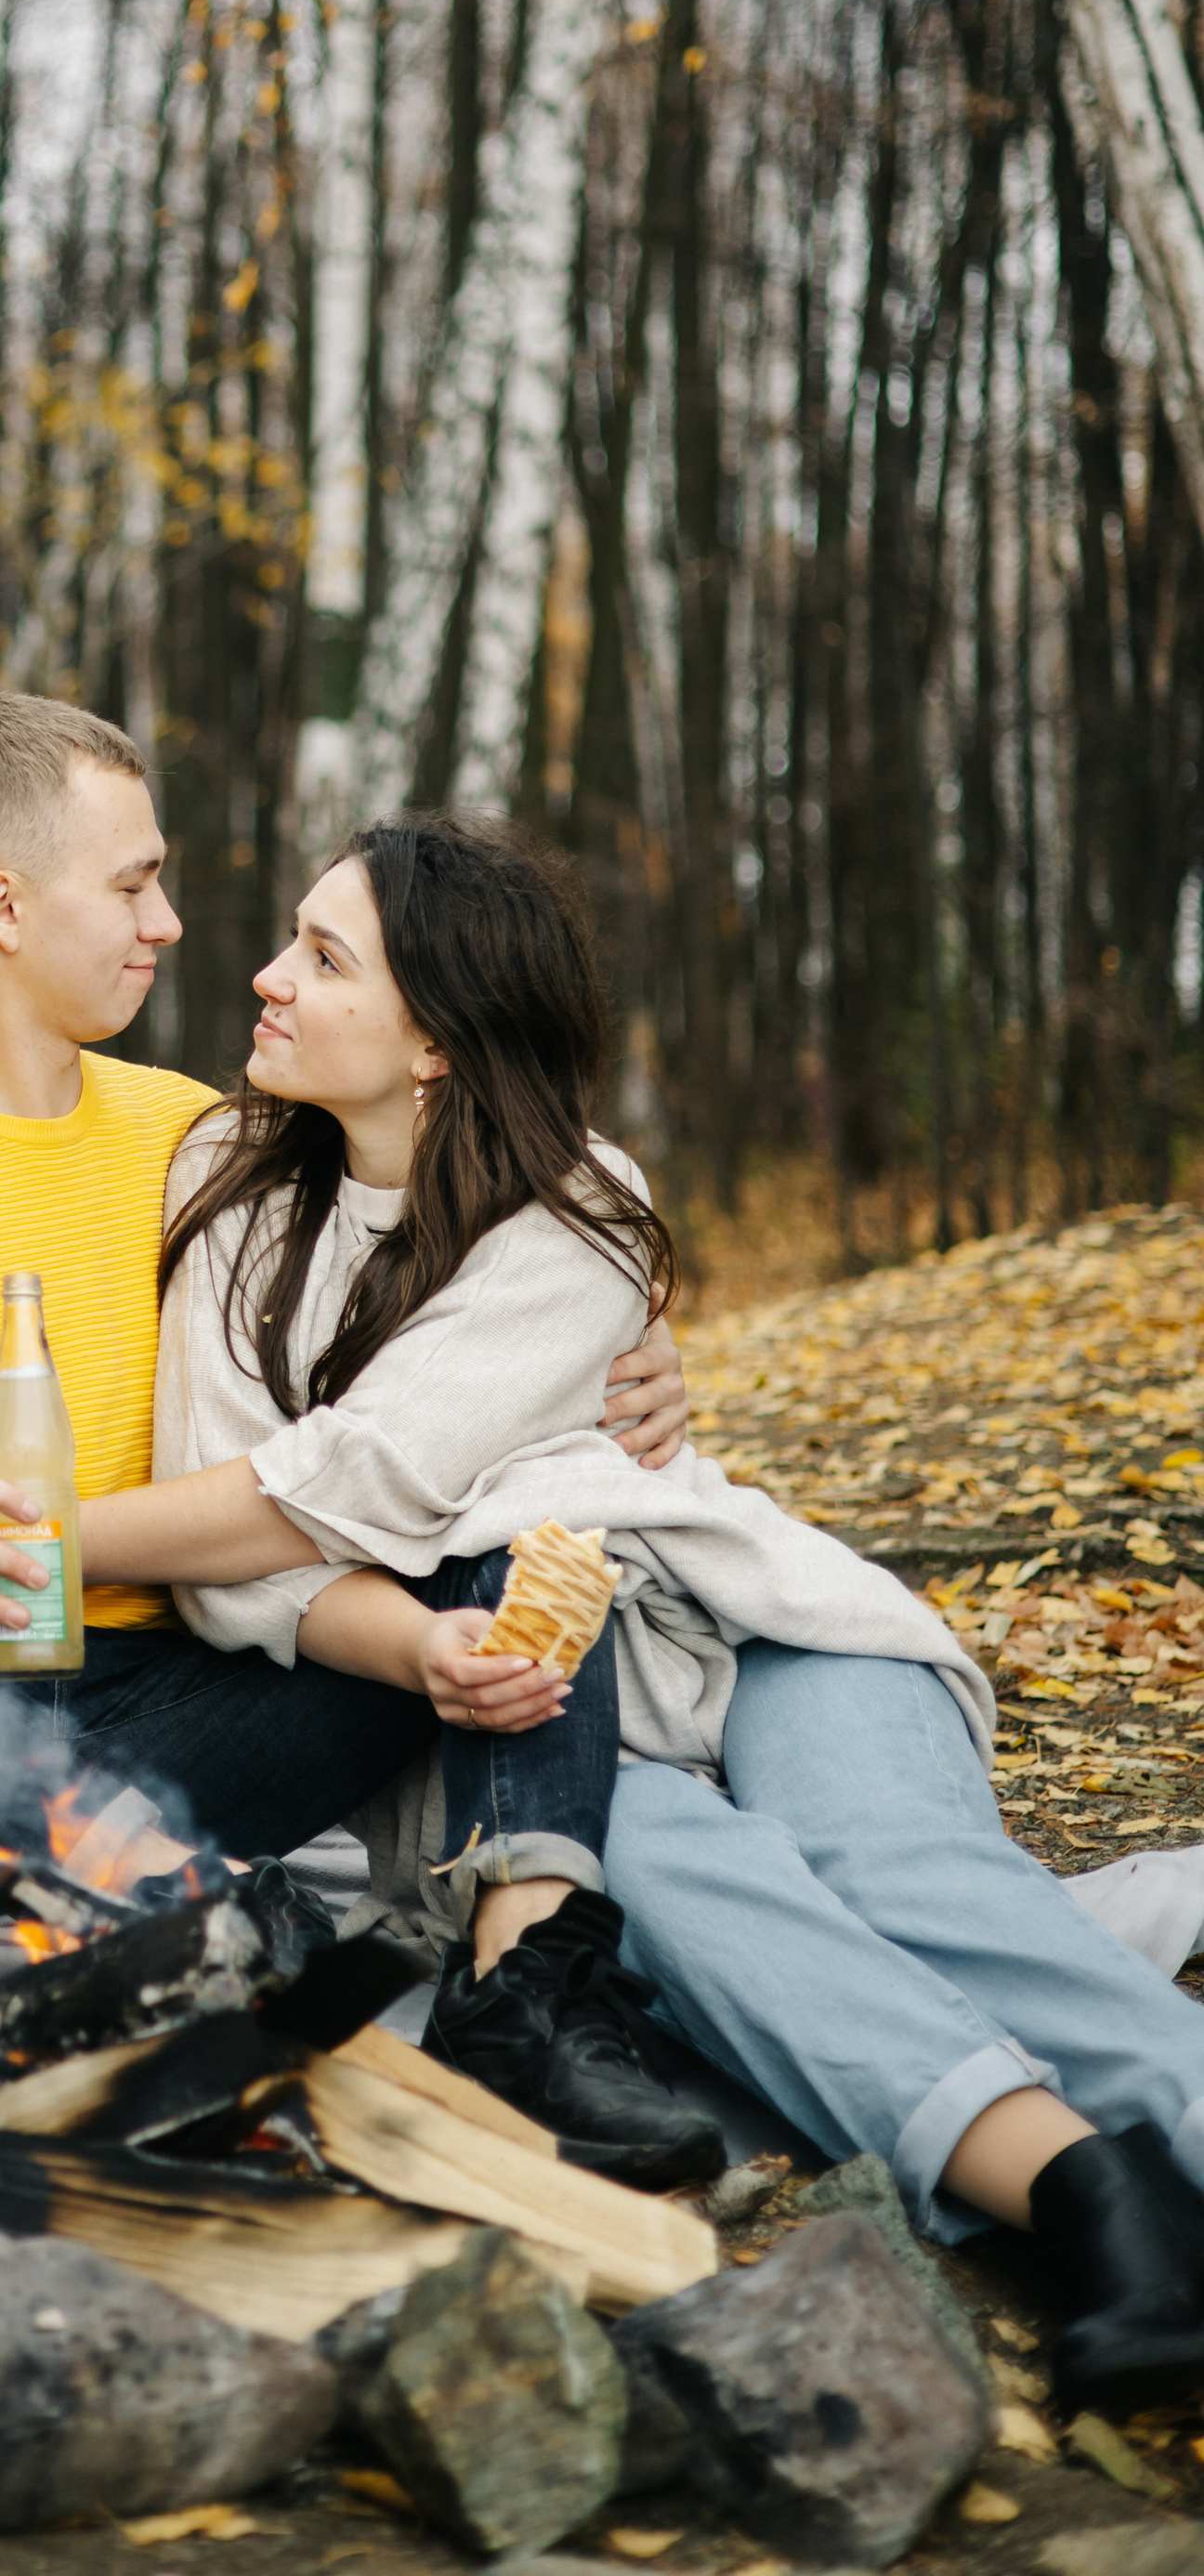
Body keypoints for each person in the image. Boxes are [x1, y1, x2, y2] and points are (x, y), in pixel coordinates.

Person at [103, 808, 1204, 2415]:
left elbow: (346, 1483)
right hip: (531, 1699)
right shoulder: (230, 1187)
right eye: (291, 938)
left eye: (323, 957)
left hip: (752, 1621)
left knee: (905, 1874)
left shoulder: (577, 1207)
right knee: (701, 1901)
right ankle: (1096, 2202)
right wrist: (404, 1636)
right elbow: (239, 1561)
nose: (265, 977)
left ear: (436, 1046)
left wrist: (45, 1540)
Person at [0, 691, 718, 2179]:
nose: (175, 923)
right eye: (135, 882)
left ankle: (526, 1998)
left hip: (191, 1708)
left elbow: (465, 1245)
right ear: (4, 906)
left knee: (513, 1499)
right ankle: (181, 1917)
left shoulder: (198, 1136)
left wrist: (633, 1342)